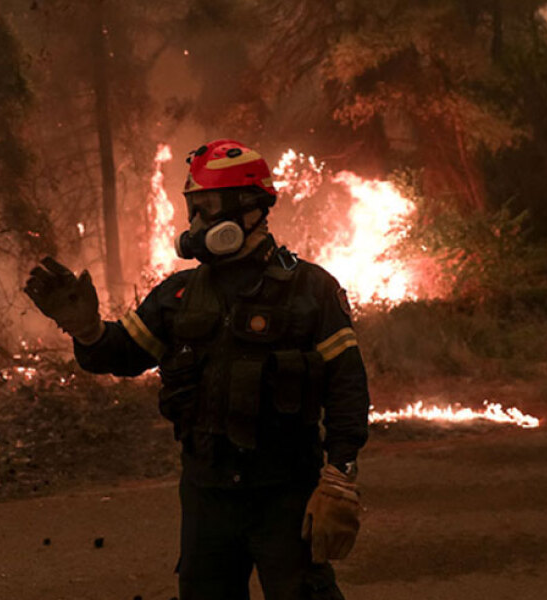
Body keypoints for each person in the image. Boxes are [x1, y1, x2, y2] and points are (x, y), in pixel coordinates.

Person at [23, 139, 369, 600]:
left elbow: (347, 386)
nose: (195, 224)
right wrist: (85, 328)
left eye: (207, 209)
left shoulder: (310, 290)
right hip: (208, 497)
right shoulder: (179, 295)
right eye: (193, 211)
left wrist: (339, 477)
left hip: (285, 494)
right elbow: (120, 353)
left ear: (249, 209)